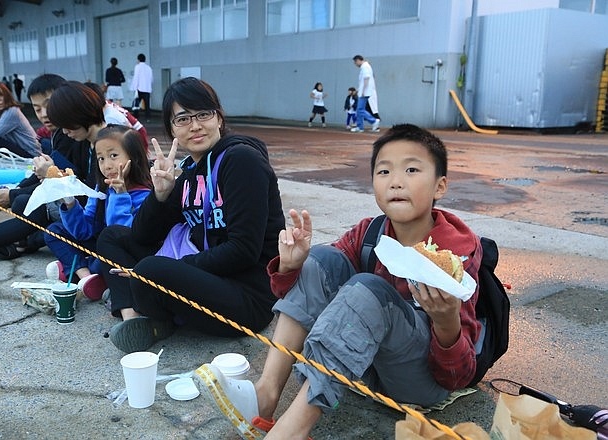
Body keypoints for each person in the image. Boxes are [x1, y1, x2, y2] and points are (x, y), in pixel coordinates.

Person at [194, 124, 484, 440]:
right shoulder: (370, 231)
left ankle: (290, 433)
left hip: (421, 382)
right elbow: (305, 292)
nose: (396, 182)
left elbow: (459, 375)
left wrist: (446, 322)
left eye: (412, 169)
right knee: (321, 259)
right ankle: (265, 396)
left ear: (439, 186)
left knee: (368, 291)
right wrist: (292, 266)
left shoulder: (455, 252)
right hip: (366, 369)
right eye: (384, 171)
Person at [97, 76, 285, 353]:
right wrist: (160, 195)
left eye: (203, 114)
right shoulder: (189, 170)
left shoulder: (242, 160)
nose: (195, 126)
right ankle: (134, 316)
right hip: (204, 278)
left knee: (151, 270)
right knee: (112, 236)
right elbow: (141, 235)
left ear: (219, 118)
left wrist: (175, 267)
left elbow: (244, 250)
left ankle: (149, 305)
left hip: (245, 298)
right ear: (171, 128)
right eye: (182, 119)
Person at [0, 74, 95, 268]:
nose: (43, 114)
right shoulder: (63, 132)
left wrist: (13, 192)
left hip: (78, 207)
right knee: (24, 202)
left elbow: (72, 182)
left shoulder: (72, 133)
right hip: (72, 204)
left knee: (28, 204)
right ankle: (11, 242)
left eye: (48, 105)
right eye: (37, 108)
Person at [44, 125, 151, 301]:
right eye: (101, 158)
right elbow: (83, 230)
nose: (107, 165)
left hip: (122, 252)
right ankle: (84, 275)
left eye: (113, 156)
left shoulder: (144, 194)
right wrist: (69, 203)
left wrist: (121, 195)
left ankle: (76, 268)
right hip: (99, 243)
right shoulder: (101, 188)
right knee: (53, 231)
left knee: (100, 263)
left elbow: (123, 235)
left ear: (134, 157)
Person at [351, 55, 380, 133]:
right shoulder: (365, 67)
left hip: (365, 92)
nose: (355, 64)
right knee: (359, 109)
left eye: (355, 62)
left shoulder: (365, 67)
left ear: (358, 60)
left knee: (360, 109)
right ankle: (360, 127)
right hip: (364, 91)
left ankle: (373, 121)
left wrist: (363, 90)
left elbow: (366, 79)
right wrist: (359, 90)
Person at [129, 53, 153, 122]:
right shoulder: (149, 68)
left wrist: (134, 87)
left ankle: (135, 117)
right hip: (147, 89)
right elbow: (151, 78)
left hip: (139, 88)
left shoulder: (137, 66)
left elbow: (136, 78)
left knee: (136, 103)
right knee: (147, 104)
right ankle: (148, 118)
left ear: (138, 59)